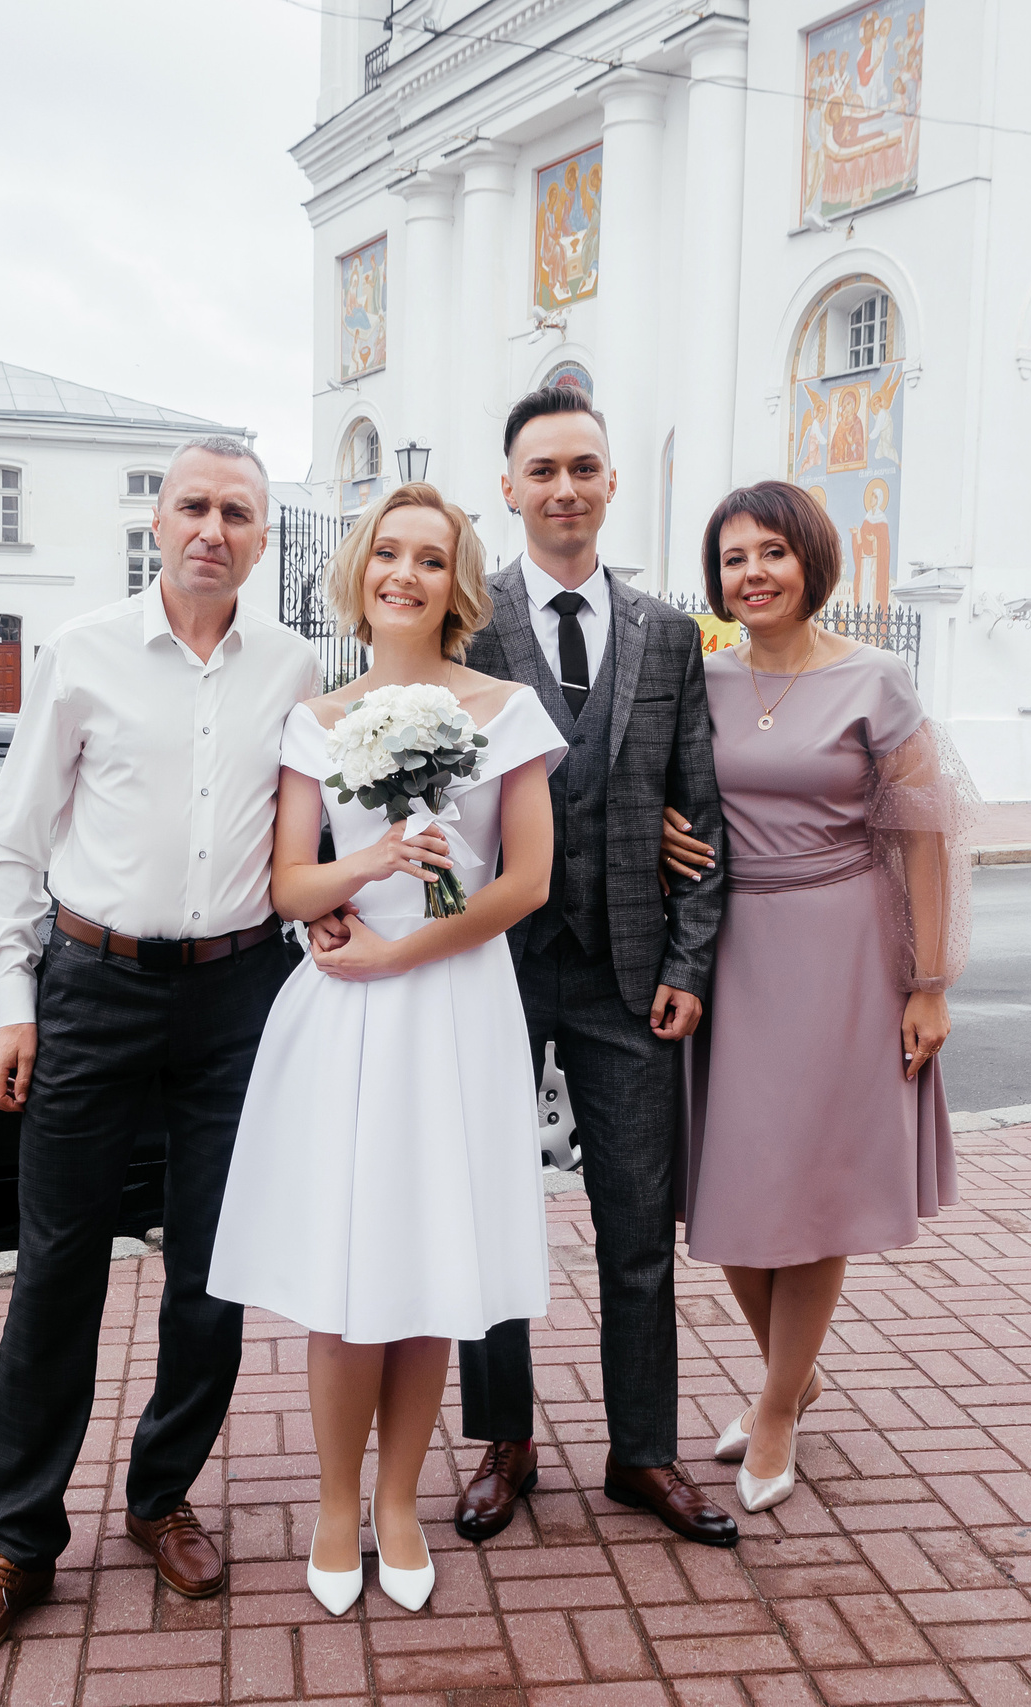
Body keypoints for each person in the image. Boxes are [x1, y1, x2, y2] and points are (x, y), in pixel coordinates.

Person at [325, 383, 736, 1548]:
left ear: (612, 484)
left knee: (636, 1223)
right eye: (541, 471)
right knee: (480, 1209)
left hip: (626, 974)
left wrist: (690, 964)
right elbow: (362, 768)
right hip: (483, 965)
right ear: (507, 488)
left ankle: (642, 1452)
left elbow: (699, 819)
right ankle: (502, 1443)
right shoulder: (466, 618)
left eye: (584, 468)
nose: (564, 489)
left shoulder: (666, 634)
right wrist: (338, 896)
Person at [0, 436, 318, 1668]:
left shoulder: (295, 666)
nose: (214, 528)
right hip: (92, 988)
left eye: (239, 512)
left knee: (213, 1272)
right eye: (195, 506)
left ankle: (161, 1497)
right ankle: (17, 1534)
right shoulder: (82, 654)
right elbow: (14, 846)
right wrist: (13, 1000)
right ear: (156, 521)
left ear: (265, 536)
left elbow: (307, 830)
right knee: (57, 1272)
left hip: (237, 993)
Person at [208, 482, 562, 1615]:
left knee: (426, 1266)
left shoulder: (505, 709)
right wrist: (368, 871)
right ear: (359, 571)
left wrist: (404, 954)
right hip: (342, 1017)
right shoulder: (318, 718)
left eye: (427, 558)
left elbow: (524, 882)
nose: (403, 574)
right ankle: (330, 1503)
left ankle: (401, 1501)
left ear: (453, 581)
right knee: (344, 1273)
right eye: (386, 555)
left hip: (449, 1002)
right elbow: (288, 882)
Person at [661, 480, 974, 1515]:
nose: (750, 574)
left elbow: (923, 836)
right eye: (732, 558)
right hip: (728, 950)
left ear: (810, 562)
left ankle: (779, 1405)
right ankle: (792, 1372)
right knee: (734, 1192)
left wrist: (926, 982)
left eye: (770, 554)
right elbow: (668, 791)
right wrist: (666, 830)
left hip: (841, 951)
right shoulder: (699, 680)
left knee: (814, 1188)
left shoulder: (876, 679)